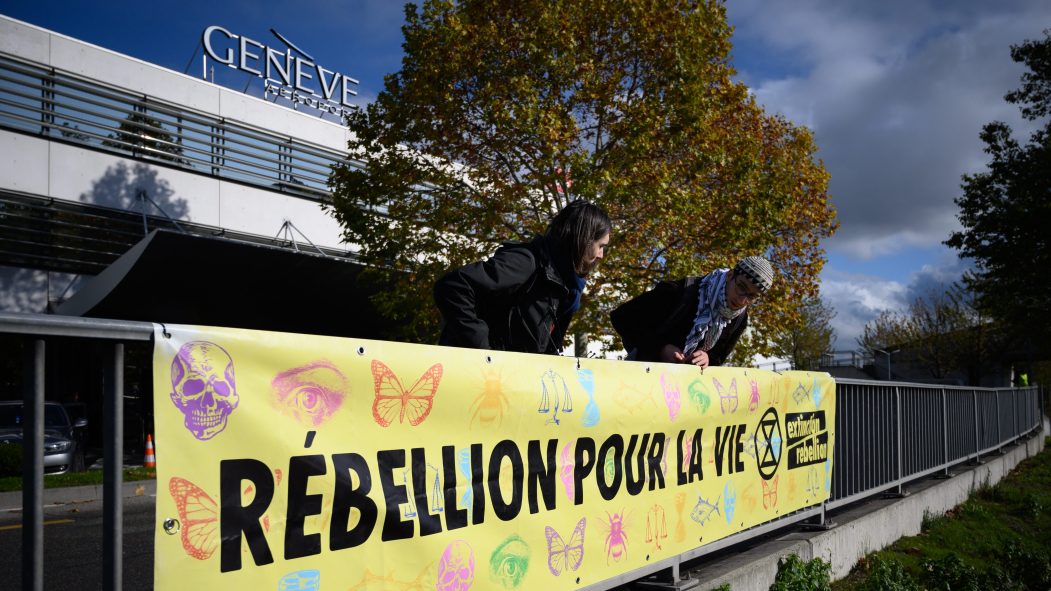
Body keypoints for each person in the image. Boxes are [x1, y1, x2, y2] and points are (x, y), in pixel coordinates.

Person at [434, 200, 612, 354]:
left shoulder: (567, 287)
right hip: (479, 378)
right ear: (583, 240)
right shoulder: (526, 262)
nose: (602, 255)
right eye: (600, 246)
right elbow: (453, 286)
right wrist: (484, 352)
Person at [610, 256, 775, 368]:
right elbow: (622, 318)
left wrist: (707, 359)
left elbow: (717, 359)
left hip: (686, 399)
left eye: (752, 296)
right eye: (741, 287)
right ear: (730, 275)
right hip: (645, 386)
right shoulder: (679, 291)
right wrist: (660, 348)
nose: (742, 299)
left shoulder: (739, 320)